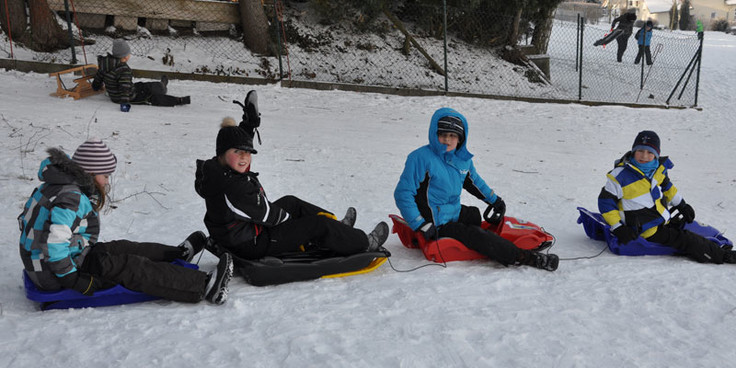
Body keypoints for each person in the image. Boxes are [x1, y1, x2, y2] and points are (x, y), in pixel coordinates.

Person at [18, 139, 233, 305]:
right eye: (106, 176)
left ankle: (177, 254)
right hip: (54, 273)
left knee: (121, 248)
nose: (107, 181)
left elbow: (28, 223)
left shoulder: (55, 184)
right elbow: (54, 245)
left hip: (50, 261)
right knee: (129, 267)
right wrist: (73, 280)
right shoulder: (71, 196)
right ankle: (204, 286)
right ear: (90, 172)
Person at [194, 118, 389, 260]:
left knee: (291, 202)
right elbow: (267, 215)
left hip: (238, 234)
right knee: (317, 225)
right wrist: (294, 223)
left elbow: (232, 150)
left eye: (248, 152)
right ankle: (364, 242)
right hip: (251, 243)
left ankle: (340, 229)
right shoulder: (233, 186)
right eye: (238, 152)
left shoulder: (216, 170)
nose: (244, 157)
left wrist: (247, 126)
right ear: (222, 153)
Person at [394, 107, 559, 271]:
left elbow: (475, 182)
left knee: (474, 214)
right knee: (475, 234)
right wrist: (420, 224)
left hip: (451, 212)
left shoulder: (461, 159)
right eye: (443, 135)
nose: (447, 140)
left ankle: (490, 241)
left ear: (460, 138)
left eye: (452, 136)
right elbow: (403, 194)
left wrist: (495, 200)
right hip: (435, 222)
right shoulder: (421, 158)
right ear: (434, 134)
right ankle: (524, 257)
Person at [598, 130, 735, 264]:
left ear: (656, 155)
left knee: (687, 225)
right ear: (633, 151)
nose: (644, 156)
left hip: (659, 218)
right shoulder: (620, 176)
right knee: (685, 239)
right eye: (640, 150)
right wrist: (618, 228)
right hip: (645, 229)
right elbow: (606, 203)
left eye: (650, 152)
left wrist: (681, 204)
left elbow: (668, 187)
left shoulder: (657, 169)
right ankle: (722, 255)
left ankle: (714, 241)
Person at [92, 39, 190, 111]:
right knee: (152, 97)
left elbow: (98, 78)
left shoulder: (104, 64)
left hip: (118, 93)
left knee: (143, 85)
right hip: (128, 96)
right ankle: (176, 98)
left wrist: (95, 86)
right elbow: (125, 88)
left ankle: (161, 85)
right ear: (125, 57)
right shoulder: (123, 69)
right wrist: (125, 103)